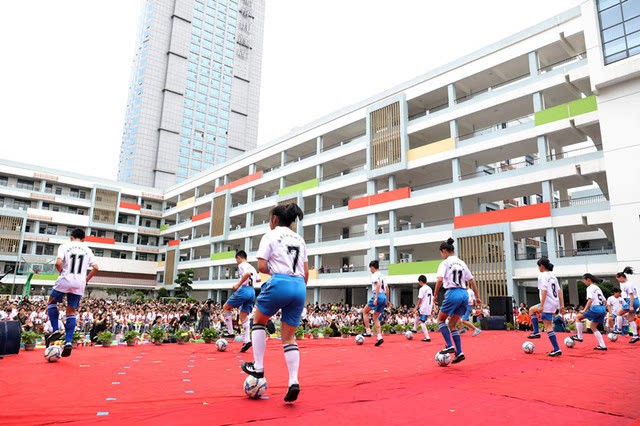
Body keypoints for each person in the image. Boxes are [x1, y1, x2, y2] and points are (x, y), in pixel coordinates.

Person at [241, 204, 308, 403]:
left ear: (275, 219)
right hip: (300, 286)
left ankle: (258, 367)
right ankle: (293, 381)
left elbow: (261, 266)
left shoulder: (270, 235)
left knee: (258, 321)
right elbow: (305, 274)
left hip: (280, 282)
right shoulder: (300, 239)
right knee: (288, 338)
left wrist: (279, 272)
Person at [46, 228, 98, 357]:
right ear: (83, 239)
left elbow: (58, 262)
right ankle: (68, 342)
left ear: (71, 237)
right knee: (71, 312)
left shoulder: (65, 246)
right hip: (79, 283)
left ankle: (56, 329)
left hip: (65, 279)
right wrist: (86, 280)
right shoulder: (88, 249)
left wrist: (61, 271)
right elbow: (96, 267)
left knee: (51, 302)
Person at [433, 238, 480, 364]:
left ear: (444, 251)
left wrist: (435, 294)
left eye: (441, 253)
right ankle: (459, 352)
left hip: (453, 292)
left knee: (440, 319)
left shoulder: (445, 263)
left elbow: (440, 279)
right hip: (464, 294)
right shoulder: (462, 263)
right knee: (453, 324)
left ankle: (449, 345)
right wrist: (477, 296)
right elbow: (472, 281)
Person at [222, 251, 260, 353]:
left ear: (238, 257)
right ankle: (247, 340)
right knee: (244, 316)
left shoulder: (242, 265)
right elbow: (259, 279)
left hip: (244, 289)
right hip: (252, 291)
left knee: (226, 308)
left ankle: (230, 332)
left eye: (236, 260)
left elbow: (247, 274)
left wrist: (238, 284)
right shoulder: (252, 267)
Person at [527, 257, 564, 357]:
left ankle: (556, 348)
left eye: (538, 266)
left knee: (548, 326)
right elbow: (560, 292)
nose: (538, 268)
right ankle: (536, 332)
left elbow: (544, 291)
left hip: (547, 303)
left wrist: (542, 305)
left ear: (541, 266)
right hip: (554, 303)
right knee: (531, 310)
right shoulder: (553, 276)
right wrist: (562, 305)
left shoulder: (542, 275)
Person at [571, 273, 608, 350]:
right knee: (593, 326)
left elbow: (590, 300)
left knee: (578, 317)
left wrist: (584, 310)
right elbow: (605, 301)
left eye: (584, 280)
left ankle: (579, 336)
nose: (584, 282)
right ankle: (602, 345)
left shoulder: (589, 288)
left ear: (588, 280)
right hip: (602, 308)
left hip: (595, 308)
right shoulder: (598, 288)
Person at [362, 260, 389, 346]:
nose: (370, 270)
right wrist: (387, 300)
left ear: (372, 268)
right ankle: (379, 337)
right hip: (384, 297)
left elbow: (377, 285)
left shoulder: (374, 275)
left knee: (365, 311)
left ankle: (368, 331)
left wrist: (376, 297)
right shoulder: (383, 275)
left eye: (370, 268)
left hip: (378, 295)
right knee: (375, 316)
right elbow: (387, 289)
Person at [615, 267, 639, 343]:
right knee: (630, 318)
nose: (619, 281)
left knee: (618, 313)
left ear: (621, 277)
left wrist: (631, 306)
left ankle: (619, 329)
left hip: (632, 300)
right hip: (636, 300)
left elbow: (631, 296)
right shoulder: (630, 283)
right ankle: (635, 335)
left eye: (618, 279)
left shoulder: (627, 284)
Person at [415, 275, 433, 342]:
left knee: (422, 322)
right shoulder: (429, 288)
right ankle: (414, 329)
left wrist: (416, 307)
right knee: (416, 313)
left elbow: (420, 299)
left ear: (421, 281)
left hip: (424, 306)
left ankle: (427, 337)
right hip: (429, 306)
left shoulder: (422, 289)